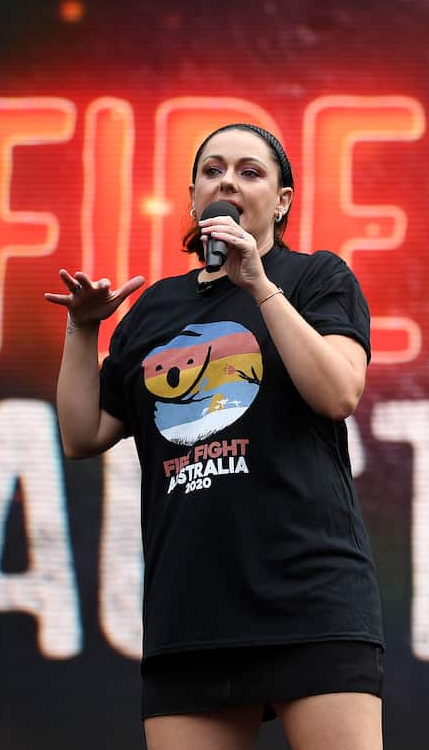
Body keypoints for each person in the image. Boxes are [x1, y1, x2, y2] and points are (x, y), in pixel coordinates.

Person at [45, 123, 383, 750]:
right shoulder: (155, 310)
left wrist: (258, 284)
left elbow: (338, 392)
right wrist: (83, 332)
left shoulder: (315, 277)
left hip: (307, 594)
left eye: (251, 171)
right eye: (213, 170)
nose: (228, 181)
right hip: (192, 607)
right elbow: (81, 433)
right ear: (195, 196)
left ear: (281, 201)